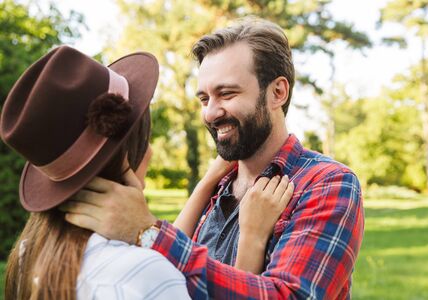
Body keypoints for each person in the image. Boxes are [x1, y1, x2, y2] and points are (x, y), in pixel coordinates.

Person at [63, 17, 365, 299]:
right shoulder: (218, 187)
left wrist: (148, 232)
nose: (210, 113)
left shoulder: (327, 184)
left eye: (227, 94)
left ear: (277, 92)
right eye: (205, 98)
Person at [1, 46, 292, 299]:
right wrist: (251, 238)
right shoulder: (142, 275)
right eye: (147, 138)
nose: (151, 152)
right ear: (129, 153)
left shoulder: (31, 252)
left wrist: (205, 183)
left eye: (226, 93)